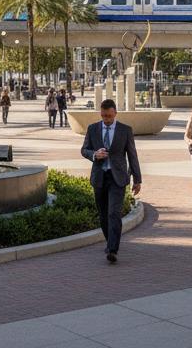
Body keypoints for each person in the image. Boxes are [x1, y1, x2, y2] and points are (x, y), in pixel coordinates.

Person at [80, 98, 142, 264]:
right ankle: (110, 242)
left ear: (115, 113)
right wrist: (94, 154)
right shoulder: (93, 129)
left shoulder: (125, 130)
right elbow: (84, 150)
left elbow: (132, 155)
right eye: (103, 116)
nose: (106, 119)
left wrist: (137, 179)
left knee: (114, 213)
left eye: (108, 116)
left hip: (118, 178)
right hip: (99, 177)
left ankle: (113, 249)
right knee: (103, 215)